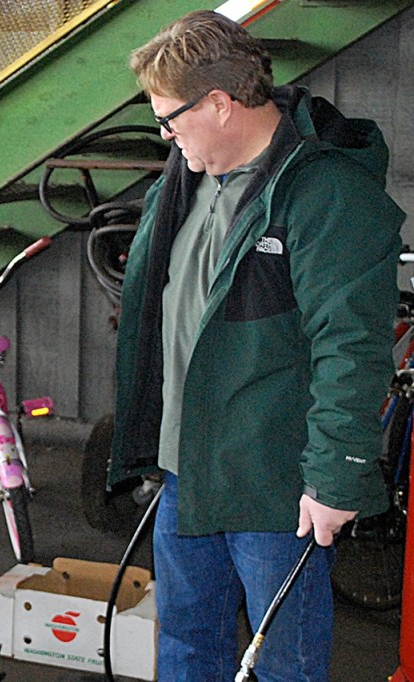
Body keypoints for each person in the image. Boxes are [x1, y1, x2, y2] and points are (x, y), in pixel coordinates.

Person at [107, 10, 406, 681]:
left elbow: (351, 348)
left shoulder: (325, 193)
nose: (164, 133)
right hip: (187, 472)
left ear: (218, 103)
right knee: (186, 647)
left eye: (169, 117)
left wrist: (337, 473)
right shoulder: (183, 180)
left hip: (276, 488)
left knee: (280, 664)